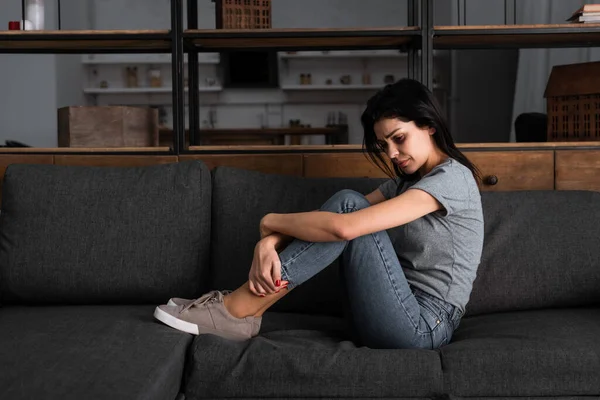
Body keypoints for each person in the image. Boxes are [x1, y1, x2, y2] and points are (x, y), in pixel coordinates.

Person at [154, 78, 484, 350]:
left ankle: (239, 309)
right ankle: (243, 311)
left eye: (399, 139)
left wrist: (269, 221)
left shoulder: (452, 179)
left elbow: (344, 225)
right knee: (348, 202)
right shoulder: (403, 184)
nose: (393, 154)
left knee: (350, 208)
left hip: (424, 326)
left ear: (428, 125)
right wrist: (268, 242)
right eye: (385, 146)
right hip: (378, 312)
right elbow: (332, 219)